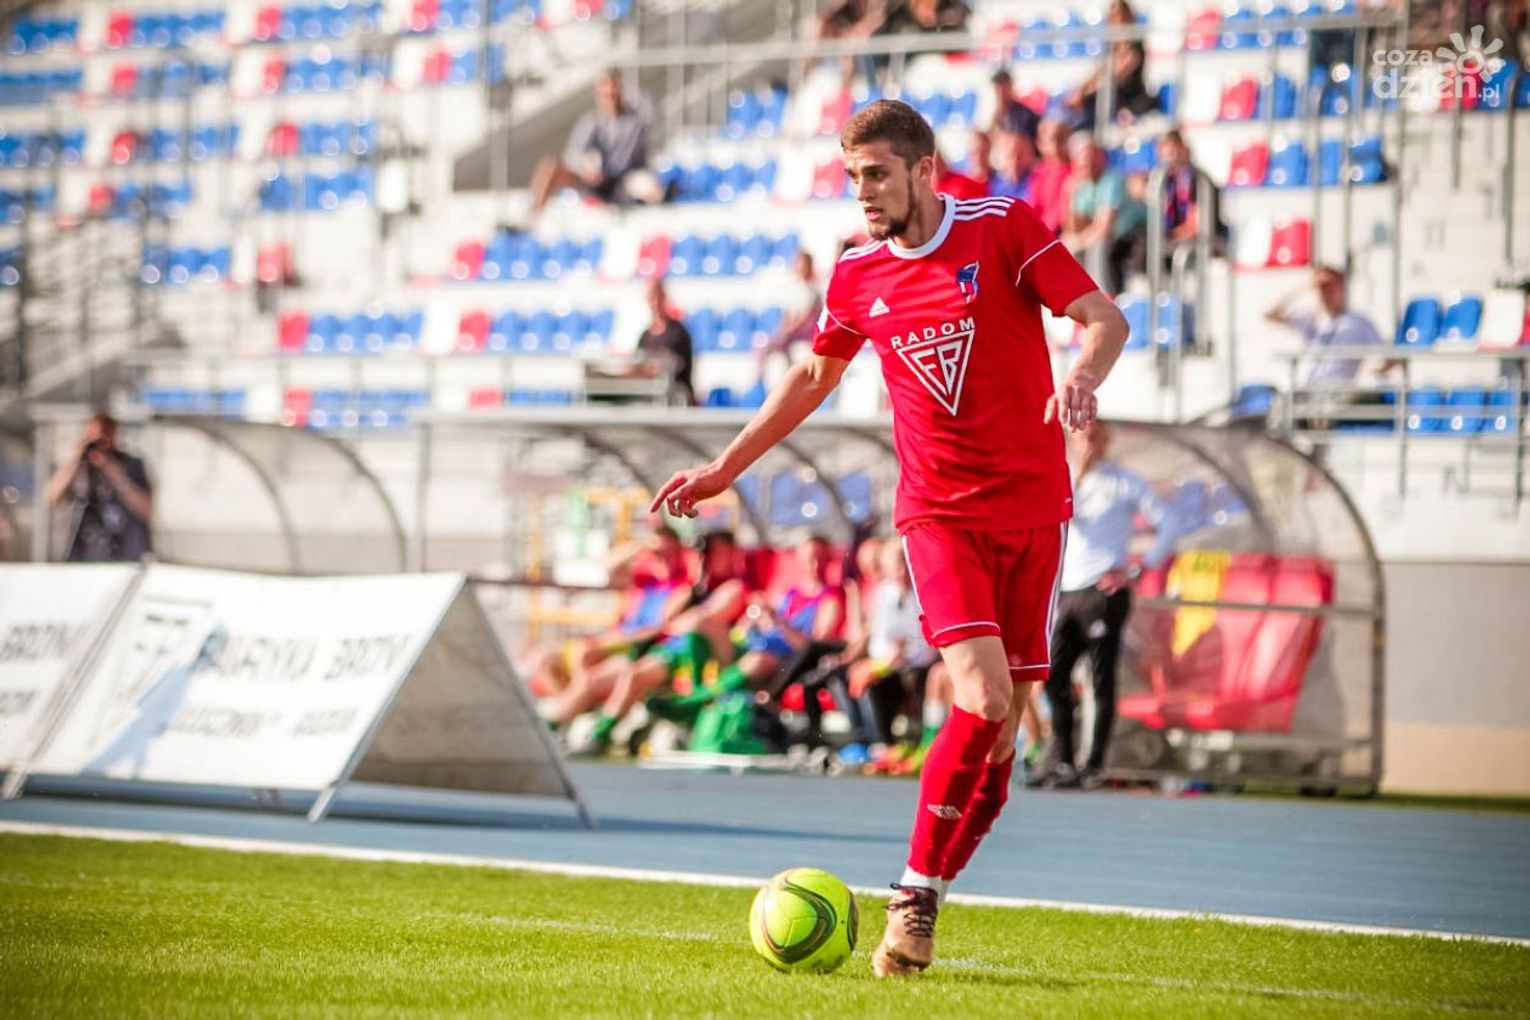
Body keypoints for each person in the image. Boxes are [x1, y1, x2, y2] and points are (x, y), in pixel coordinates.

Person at [648, 99, 1128, 977]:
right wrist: (723, 468)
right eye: (852, 175)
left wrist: (1083, 376)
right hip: (938, 516)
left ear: (923, 170)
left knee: (1002, 742)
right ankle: (914, 900)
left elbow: (1104, 317)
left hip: (1035, 513)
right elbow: (811, 377)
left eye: (877, 174)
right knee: (981, 698)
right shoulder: (857, 272)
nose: (863, 191)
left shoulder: (1001, 227)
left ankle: (925, 892)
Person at [1030, 419, 1178, 791]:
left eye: (1095, 437)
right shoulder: (1065, 478)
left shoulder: (1124, 481)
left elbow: (1170, 523)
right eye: (1082, 437)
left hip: (1103, 591)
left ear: (1106, 440)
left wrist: (1135, 569)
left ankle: (1093, 764)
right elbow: (1059, 518)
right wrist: (1078, 474)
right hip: (1067, 590)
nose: (1088, 444)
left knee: (1099, 677)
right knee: (1053, 674)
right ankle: (1061, 759)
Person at [573, 530, 752, 755]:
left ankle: (604, 731)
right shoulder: (692, 589)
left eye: (716, 553)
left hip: (712, 657)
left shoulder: (734, 587)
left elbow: (696, 622)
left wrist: (684, 617)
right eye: (705, 554)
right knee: (620, 672)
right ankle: (595, 727)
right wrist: (695, 583)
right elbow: (668, 620)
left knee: (636, 673)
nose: (709, 559)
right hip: (676, 652)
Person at [530, 523, 692, 722]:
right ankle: (571, 707)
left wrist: (610, 642)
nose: (663, 558)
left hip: (637, 647)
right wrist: (641, 546)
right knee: (545, 659)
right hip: (616, 640)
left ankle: (561, 717)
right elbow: (608, 567)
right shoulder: (646, 578)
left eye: (669, 553)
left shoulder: (681, 586)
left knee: (586, 665)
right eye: (658, 553)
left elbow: (657, 628)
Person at [529, 70, 659, 217]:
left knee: (650, 187)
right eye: (605, 93)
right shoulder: (590, 122)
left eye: (614, 92)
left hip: (627, 179)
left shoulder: (636, 120)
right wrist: (586, 168)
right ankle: (533, 218)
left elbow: (653, 112)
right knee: (549, 167)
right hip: (595, 180)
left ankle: (652, 225)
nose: (610, 96)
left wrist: (627, 85)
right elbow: (572, 154)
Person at [1265, 265, 1392, 414]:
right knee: (1279, 405)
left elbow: (1386, 356)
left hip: (1336, 392)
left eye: (1329, 286)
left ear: (1341, 287)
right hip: (1306, 389)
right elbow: (1270, 315)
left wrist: (1375, 371)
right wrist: (1303, 288)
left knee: (1322, 410)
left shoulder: (1358, 323)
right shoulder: (1310, 319)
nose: (1324, 292)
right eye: (1320, 287)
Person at [46, 412, 153, 563]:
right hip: (82, 555)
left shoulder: (131, 465)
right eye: (95, 437)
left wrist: (114, 472)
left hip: (124, 554)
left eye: (105, 437)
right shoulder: (76, 467)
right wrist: (76, 460)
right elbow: (52, 497)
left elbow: (147, 509)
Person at [1061, 132, 1147, 294]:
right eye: (1084, 162)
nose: (1088, 165)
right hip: (1114, 238)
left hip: (1134, 235)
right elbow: (1074, 227)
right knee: (1065, 246)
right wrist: (1070, 196)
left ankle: (1108, 297)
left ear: (1102, 158)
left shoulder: (1112, 180)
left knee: (1099, 247)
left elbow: (1104, 229)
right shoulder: (1083, 186)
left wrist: (1077, 242)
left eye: (1092, 160)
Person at [1065, 0, 1157, 132]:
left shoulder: (1135, 45)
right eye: (1114, 17)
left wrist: (1088, 92)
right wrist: (1080, 91)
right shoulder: (1111, 46)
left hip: (1128, 97)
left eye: (1121, 16)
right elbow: (1099, 72)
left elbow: (1117, 73)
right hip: (1111, 93)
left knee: (1093, 99)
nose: (1117, 21)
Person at [757, 252, 822, 387]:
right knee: (764, 347)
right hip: (792, 335)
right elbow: (789, 316)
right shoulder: (795, 290)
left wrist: (788, 332)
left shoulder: (812, 291)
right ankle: (758, 385)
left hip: (806, 336)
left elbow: (805, 320)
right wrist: (783, 331)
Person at [634, 278, 696, 405]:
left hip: (675, 397)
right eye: (652, 298)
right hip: (651, 397)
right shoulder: (645, 336)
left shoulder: (678, 333)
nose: (655, 302)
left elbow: (677, 365)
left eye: (658, 297)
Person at [1028, 119, 1074, 234]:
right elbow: (1034, 206)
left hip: (1062, 231)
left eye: (1061, 138)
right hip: (1043, 231)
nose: (1056, 144)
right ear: (1041, 144)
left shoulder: (1076, 170)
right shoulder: (1040, 172)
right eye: (1052, 139)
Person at [988, 70, 1041, 144]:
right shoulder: (996, 115)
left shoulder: (1024, 116)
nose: (1001, 91)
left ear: (1011, 86)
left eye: (1004, 86)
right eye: (997, 87)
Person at [986, 129, 1037, 202]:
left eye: (1020, 154)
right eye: (1011, 155)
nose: (1015, 160)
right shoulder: (993, 185)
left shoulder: (1035, 181)